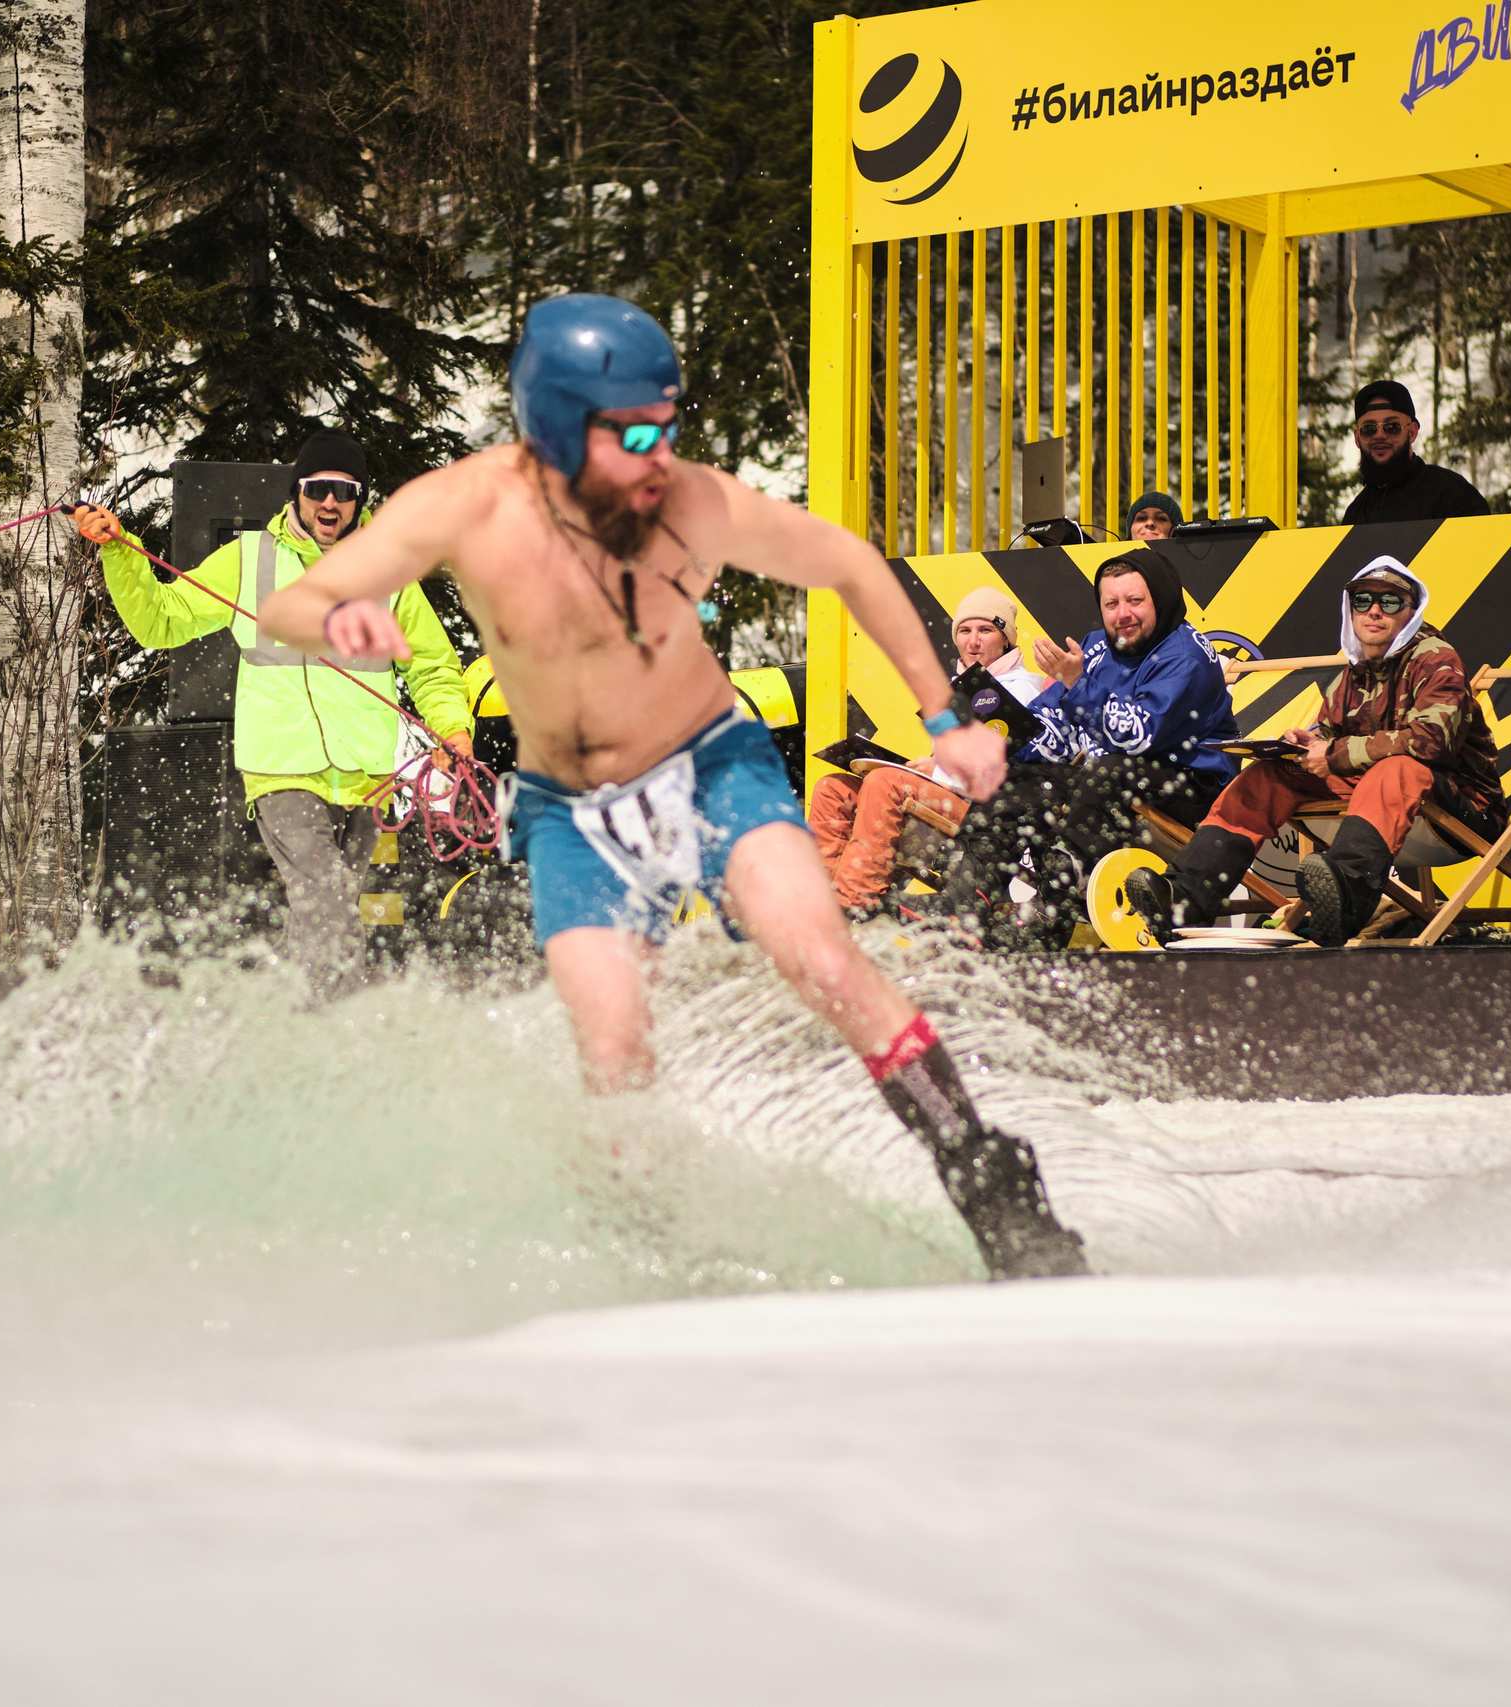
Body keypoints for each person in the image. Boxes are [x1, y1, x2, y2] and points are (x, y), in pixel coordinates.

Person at [256, 293, 1090, 1280]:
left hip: (709, 764)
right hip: (573, 813)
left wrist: (945, 721)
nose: (662, 456)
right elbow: (292, 600)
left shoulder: (688, 500)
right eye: (638, 432)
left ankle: (995, 1187)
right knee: (612, 1046)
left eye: (670, 425)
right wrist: (338, 623)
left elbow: (851, 566)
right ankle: (656, 1249)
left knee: (818, 957)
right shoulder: (464, 508)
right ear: (560, 433)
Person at [73, 430, 475, 999]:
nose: (330, 503)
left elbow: (431, 667)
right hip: (283, 770)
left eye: (344, 491)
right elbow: (160, 621)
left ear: (360, 500)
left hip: (365, 779)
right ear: (298, 493)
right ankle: (334, 1033)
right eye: (318, 489)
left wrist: (453, 729)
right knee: (330, 898)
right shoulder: (249, 559)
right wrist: (118, 550)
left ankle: (272, 1022)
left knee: (317, 912)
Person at [1124, 557, 1504, 949]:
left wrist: (1335, 753)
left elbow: (1430, 743)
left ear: (1410, 612)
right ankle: (1185, 898)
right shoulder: (1355, 672)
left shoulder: (1437, 659)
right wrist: (1307, 743)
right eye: (1362, 601)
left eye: (1389, 602)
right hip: (1378, 801)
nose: (1374, 611)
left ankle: (1345, 897)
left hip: (1463, 810)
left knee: (1398, 769)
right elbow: (1329, 734)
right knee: (1267, 776)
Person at [932, 549, 1236, 935]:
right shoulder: (1097, 647)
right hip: (1109, 784)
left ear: (1160, 599)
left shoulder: (1186, 656)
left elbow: (1138, 736)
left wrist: (1077, 683)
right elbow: (1055, 727)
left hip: (1190, 787)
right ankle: (967, 901)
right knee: (1017, 779)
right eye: (1111, 603)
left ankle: (1049, 913)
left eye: (1134, 601)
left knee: (1106, 771)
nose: (1121, 614)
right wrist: (1002, 739)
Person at [807, 587, 1045, 915]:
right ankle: (825, 903)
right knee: (832, 788)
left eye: (986, 630)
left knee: (884, 783)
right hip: (948, 795)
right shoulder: (953, 687)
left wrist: (933, 770)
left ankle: (858, 902)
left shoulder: (1024, 692)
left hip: (989, 814)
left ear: (1005, 638)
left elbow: (999, 770)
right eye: (965, 630)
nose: (973, 641)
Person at [1341, 380, 1489, 526]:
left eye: (1392, 427)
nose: (1379, 435)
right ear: (1357, 438)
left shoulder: (1450, 494)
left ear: (1412, 432)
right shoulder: (1354, 513)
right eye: (1369, 429)